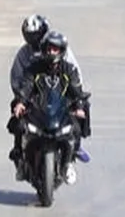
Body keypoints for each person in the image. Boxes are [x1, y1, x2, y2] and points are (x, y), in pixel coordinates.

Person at [14, 31, 89, 185]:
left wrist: (79, 105)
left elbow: (76, 89)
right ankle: (20, 160)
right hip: (38, 110)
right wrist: (21, 101)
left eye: (55, 49)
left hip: (60, 111)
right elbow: (26, 86)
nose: (51, 52)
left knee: (76, 126)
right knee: (19, 124)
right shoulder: (34, 68)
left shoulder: (68, 70)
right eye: (49, 48)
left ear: (61, 50)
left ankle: (70, 160)